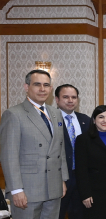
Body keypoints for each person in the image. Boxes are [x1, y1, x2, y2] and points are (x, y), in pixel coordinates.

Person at [0, 70, 68, 219]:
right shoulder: (13, 114)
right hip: (27, 190)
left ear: (51, 89)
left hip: (53, 187)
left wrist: (62, 179)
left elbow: (59, 149)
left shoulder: (55, 113)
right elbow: (9, 156)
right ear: (26, 87)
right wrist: (16, 190)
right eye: (37, 84)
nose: (42, 89)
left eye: (46, 85)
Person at [55, 84, 91, 219]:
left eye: (74, 97)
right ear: (57, 100)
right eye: (65, 97)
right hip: (59, 178)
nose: (70, 100)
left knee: (80, 214)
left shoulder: (86, 120)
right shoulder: (50, 120)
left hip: (81, 178)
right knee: (57, 214)